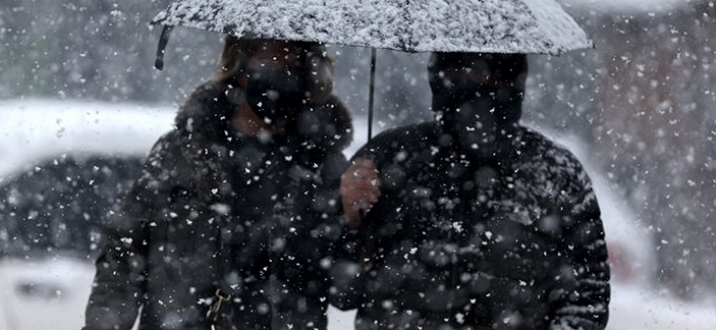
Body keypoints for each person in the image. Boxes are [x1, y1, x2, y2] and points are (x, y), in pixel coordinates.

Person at [83, 36, 353, 330]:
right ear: (239, 65)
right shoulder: (180, 154)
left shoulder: (323, 167)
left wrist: (354, 221)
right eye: (275, 59)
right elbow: (123, 256)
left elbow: (347, 290)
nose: (286, 73)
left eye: (297, 63)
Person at [333, 52, 610, 330]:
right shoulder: (389, 158)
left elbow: (587, 299)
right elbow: (342, 291)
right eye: (456, 73)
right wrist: (349, 218)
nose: (470, 86)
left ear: (511, 78)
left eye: (484, 75)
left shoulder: (555, 173)